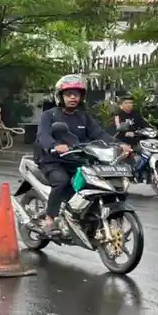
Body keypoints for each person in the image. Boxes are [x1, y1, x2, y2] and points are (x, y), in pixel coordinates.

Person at [35, 74, 129, 235]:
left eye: (76, 94)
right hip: (52, 161)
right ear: (60, 96)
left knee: (96, 182)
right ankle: (50, 219)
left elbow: (99, 134)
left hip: (77, 159)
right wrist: (55, 146)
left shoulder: (83, 117)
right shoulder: (49, 115)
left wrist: (119, 145)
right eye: (68, 94)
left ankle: (83, 215)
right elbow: (43, 136)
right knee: (62, 181)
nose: (73, 97)